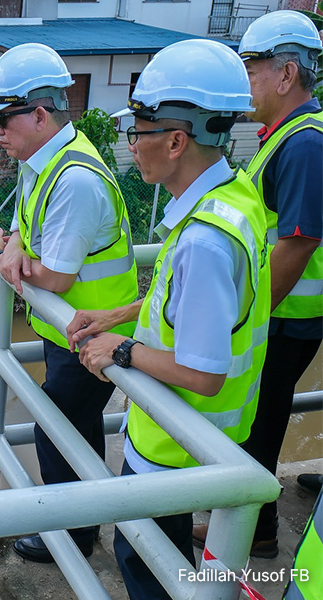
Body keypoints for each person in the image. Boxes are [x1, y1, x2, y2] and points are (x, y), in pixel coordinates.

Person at [67, 39, 270, 600]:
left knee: (147, 561)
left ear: (177, 141)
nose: (132, 146)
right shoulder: (234, 197)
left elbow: (204, 372)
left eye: (139, 132)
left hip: (175, 444)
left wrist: (121, 350)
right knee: (169, 556)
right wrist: (122, 313)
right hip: (207, 436)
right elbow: (198, 303)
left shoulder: (203, 240)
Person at [0, 42, 138, 563]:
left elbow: (55, 277)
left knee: (56, 432)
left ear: (39, 114)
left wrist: (2, 256)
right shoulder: (41, 162)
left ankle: (73, 537)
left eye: (3, 119)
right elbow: (25, 229)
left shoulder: (75, 180)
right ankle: (82, 524)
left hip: (90, 333)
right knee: (77, 429)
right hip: (66, 332)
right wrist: (14, 246)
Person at [192, 10, 323, 560]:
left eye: (250, 69)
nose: (244, 81)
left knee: (259, 425)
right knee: (258, 420)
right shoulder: (286, 137)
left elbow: (297, 243)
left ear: (286, 73)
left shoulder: (304, 143)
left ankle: (257, 531)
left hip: (285, 319)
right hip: (280, 315)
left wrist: (245, 319)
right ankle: (251, 523)